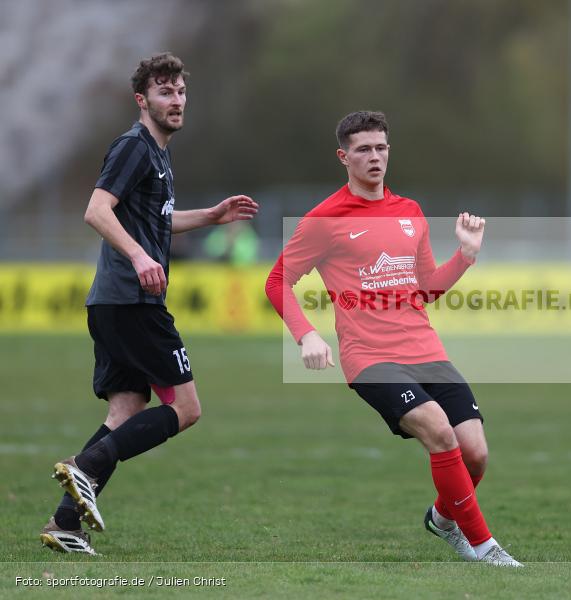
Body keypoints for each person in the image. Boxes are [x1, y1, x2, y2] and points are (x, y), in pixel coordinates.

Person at [265, 111, 522, 567]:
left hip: (426, 350)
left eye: (381, 147)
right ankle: (485, 547)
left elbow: (426, 289)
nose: (375, 157)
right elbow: (277, 280)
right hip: (369, 358)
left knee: (475, 454)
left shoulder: (410, 212)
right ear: (343, 157)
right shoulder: (325, 218)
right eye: (363, 149)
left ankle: (442, 520)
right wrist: (306, 335)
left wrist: (465, 256)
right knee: (440, 433)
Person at [39, 52, 259, 555]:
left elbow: (154, 219)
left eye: (181, 91)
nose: (176, 101)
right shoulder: (135, 146)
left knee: (126, 408)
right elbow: (97, 210)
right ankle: (85, 469)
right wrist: (140, 257)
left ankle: (65, 524)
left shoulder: (157, 152)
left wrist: (212, 216)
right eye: (165, 93)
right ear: (143, 100)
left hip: (116, 302)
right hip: (133, 301)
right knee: (185, 408)